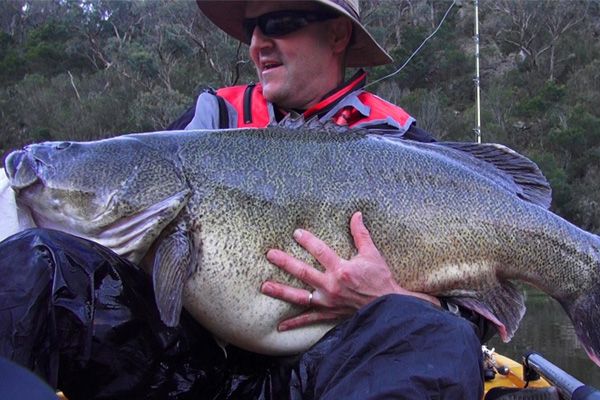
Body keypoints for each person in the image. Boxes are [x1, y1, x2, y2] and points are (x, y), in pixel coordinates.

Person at [0, 0, 487, 399]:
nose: (258, 43)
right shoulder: (211, 117)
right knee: (35, 265)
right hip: (196, 374)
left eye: (280, 22)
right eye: (253, 27)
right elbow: (126, 212)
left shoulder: (406, 144)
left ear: (338, 35)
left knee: (441, 338)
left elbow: (480, 315)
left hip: (335, 380)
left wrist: (387, 299)